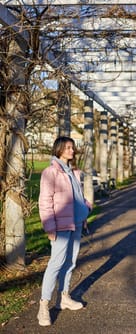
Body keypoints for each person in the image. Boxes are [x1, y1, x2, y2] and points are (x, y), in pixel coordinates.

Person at [37, 136, 92, 326]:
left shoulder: (74, 172)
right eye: (68, 147)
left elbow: (79, 197)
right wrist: (49, 227)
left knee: (70, 261)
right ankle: (43, 306)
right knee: (56, 262)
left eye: (72, 147)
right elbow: (45, 202)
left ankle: (64, 297)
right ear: (59, 149)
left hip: (76, 223)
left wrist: (86, 210)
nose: (71, 150)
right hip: (60, 226)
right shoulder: (50, 172)